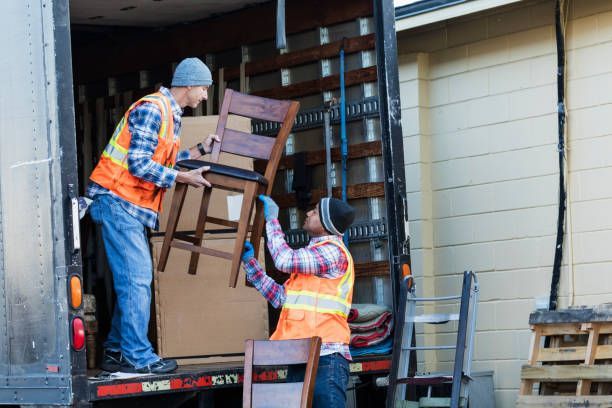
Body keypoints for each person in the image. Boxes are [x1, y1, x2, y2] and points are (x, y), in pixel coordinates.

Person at [87, 57, 218, 374]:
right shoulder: (153, 108)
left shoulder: (170, 115)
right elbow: (139, 165)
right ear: (188, 84)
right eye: (203, 89)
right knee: (137, 279)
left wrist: (199, 150)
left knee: (134, 280)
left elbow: (162, 161)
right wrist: (184, 178)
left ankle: (117, 351)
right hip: (118, 200)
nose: (204, 97)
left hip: (127, 204)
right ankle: (136, 355)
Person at [241, 194, 356, 408]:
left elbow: (284, 260)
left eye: (314, 211)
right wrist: (251, 264)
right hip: (301, 356)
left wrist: (273, 221)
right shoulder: (311, 258)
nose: (308, 213)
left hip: (326, 357)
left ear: (326, 224)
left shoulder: (333, 252)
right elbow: (280, 298)